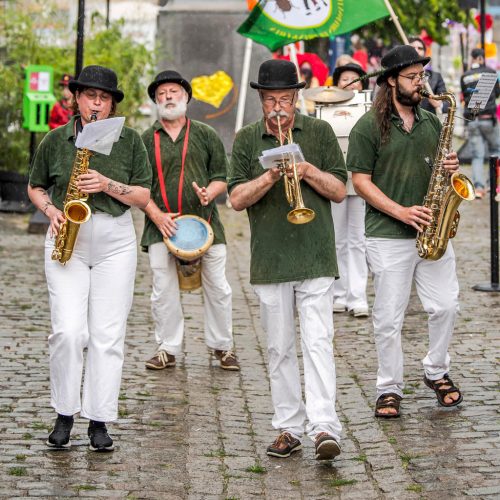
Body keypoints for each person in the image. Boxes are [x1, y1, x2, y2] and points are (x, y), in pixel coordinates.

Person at [28, 65, 152, 451]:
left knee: (107, 336)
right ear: (77, 99)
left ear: (112, 104)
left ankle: (99, 420)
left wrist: (106, 184)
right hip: (68, 238)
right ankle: (64, 412)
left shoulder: (130, 140)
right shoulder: (55, 139)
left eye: (104, 98)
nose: (96, 103)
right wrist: (51, 211)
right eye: (89, 96)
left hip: (115, 241)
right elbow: (35, 187)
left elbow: (143, 197)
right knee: (68, 332)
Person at [228, 59, 347, 460]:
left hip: (315, 252)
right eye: (270, 99)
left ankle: (324, 426)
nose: (277, 107)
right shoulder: (246, 139)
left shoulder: (319, 131)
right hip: (271, 257)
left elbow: (339, 191)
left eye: (284, 98)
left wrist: (307, 169)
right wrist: (269, 176)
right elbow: (235, 199)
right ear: (260, 100)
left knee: (317, 342)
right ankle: (289, 427)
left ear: (297, 97)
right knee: (278, 348)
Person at [347, 45, 463, 418]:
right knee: (388, 317)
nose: (420, 84)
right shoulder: (368, 126)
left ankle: (436, 370)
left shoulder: (431, 123)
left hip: (433, 231)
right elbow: (360, 181)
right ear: (391, 81)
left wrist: (450, 168)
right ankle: (389, 388)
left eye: (421, 76)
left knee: (446, 305)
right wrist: (400, 211)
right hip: (387, 233)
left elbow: (445, 178)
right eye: (412, 77)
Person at [141, 70, 239, 372]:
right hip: (159, 226)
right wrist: (155, 214)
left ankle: (223, 346)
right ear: (156, 102)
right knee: (163, 289)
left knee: (218, 287)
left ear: (186, 98)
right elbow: (137, 187)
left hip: (206, 224)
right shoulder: (145, 139)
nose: (168, 97)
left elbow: (222, 177)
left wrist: (211, 192)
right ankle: (167, 348)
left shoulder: (205, 134)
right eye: (162, 94)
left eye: (174, 92)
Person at [330, 63, 370, 317]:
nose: (350, 84)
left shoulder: (369, 108)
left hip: (360, 179)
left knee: (358, 240)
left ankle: (358, 296)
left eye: (355, 80)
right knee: (336, 239)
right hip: (334, 180)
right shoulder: (325, 108)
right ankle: (338, 294)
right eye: (344, 79)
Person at [460, 48, 500, 199]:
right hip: (488, 118)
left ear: (473, 58)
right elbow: (497, 93)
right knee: (496, 150)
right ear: (482, 58)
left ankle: (478, 188)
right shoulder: (491, 72)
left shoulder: (465, 76)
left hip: (473, 120)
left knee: (477, 155)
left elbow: (465, 95)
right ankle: (495, 184)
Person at [408, 37, 448, 115]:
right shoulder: (400, 75)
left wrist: (440, 104)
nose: (416, 50)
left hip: (428, 122)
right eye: (413, 48)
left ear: (425, 53)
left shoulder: (436, 77)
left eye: (420, 48)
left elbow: (447, 104)